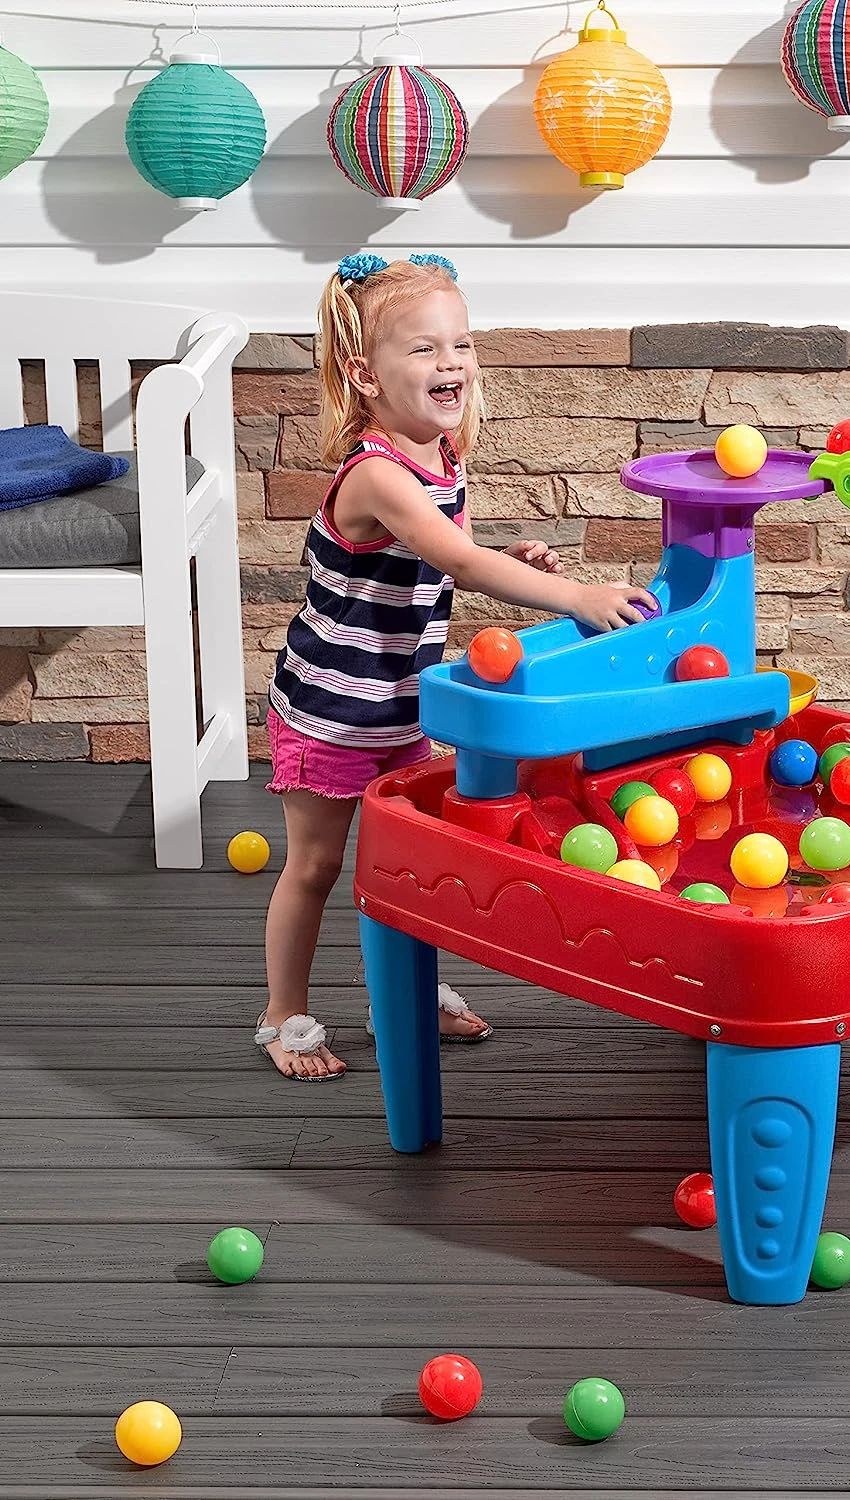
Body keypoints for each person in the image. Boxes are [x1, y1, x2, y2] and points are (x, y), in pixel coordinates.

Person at [255, 252, 655, 1080]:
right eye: (425, 348)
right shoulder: (376, 472)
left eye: (462, 345)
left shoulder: (442, 453)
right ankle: (282, 1013)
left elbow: (450, 556)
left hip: (401, 703)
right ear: (365, 375)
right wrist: (575, 594)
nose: (453, 363)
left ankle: (401, 994)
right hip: (329, 708)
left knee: (407, 864)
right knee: (317, 866)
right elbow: (462, 564)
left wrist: (510, 557)